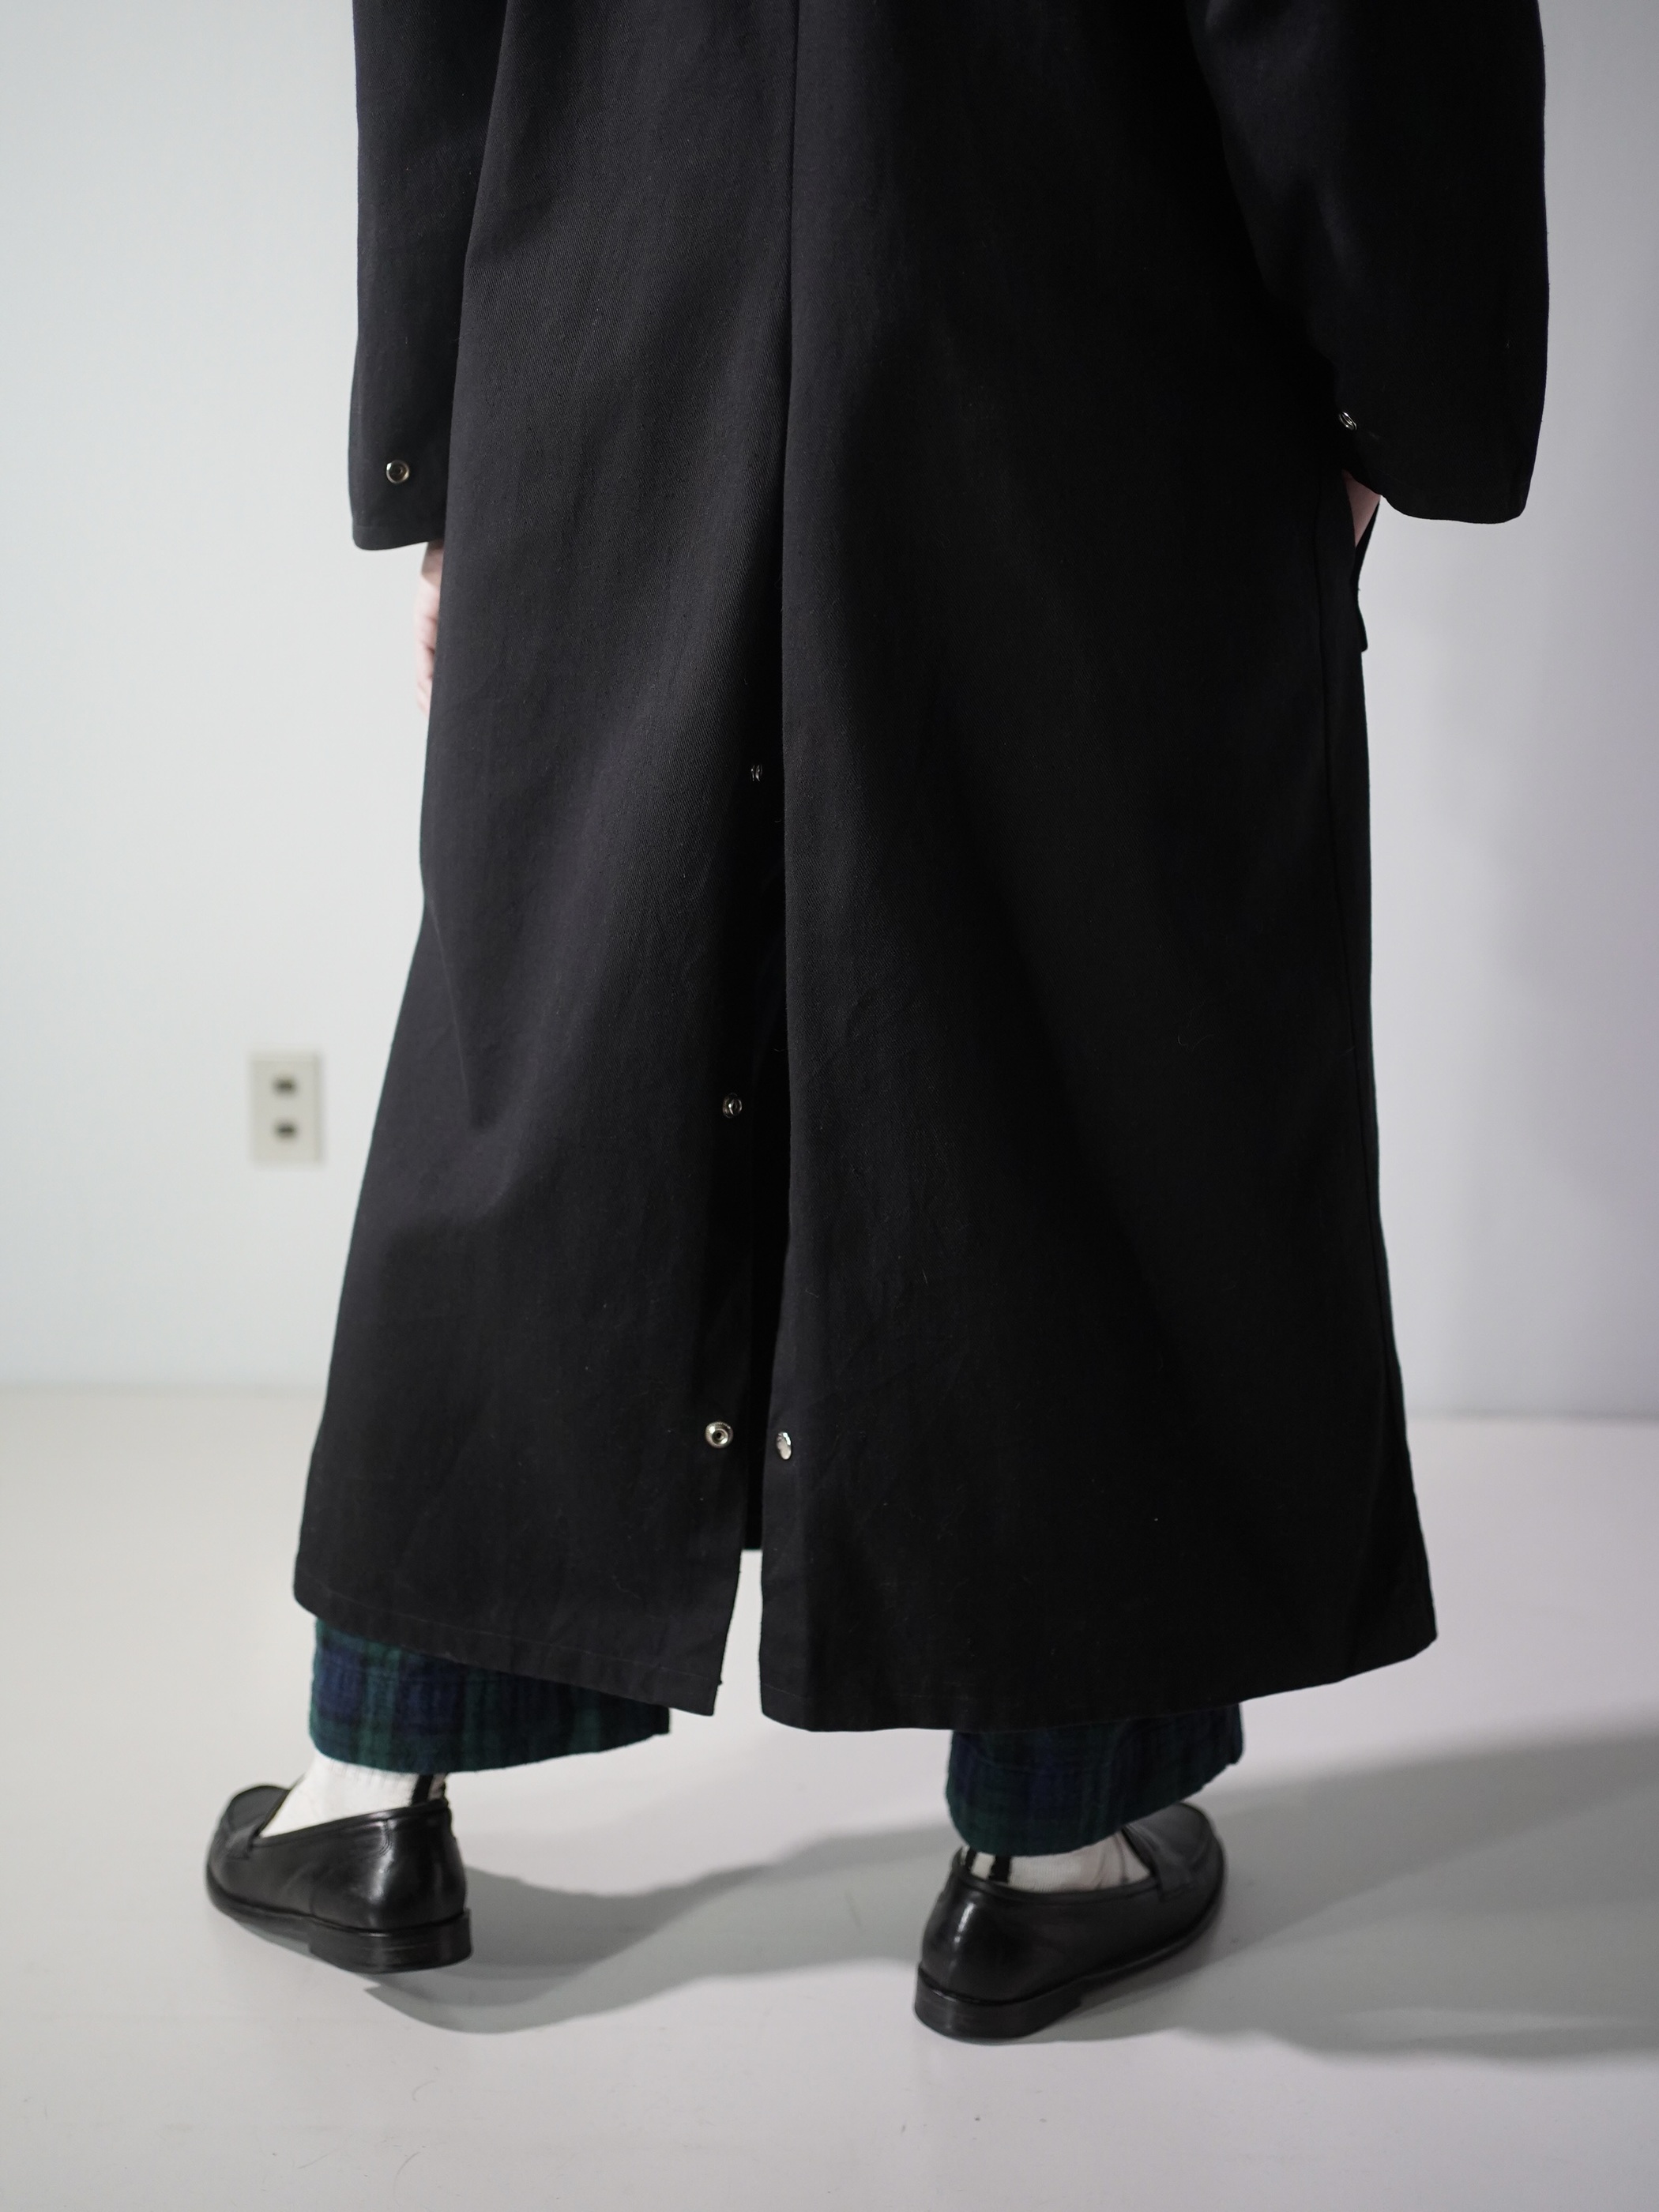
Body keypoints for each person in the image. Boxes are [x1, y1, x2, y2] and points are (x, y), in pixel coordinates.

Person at [206, 0, 1548, 2040]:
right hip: (1061, 307)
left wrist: (439, 438)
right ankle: (1054, 1838)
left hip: (602, 300)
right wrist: (1399, 388)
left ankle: (373, 1783)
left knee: (553, 1019)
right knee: (1080, 1040)